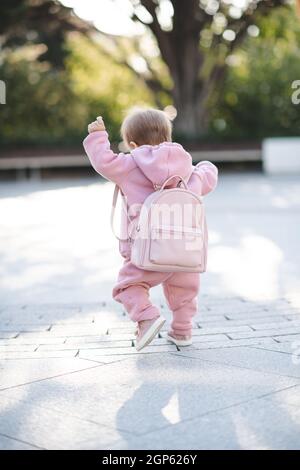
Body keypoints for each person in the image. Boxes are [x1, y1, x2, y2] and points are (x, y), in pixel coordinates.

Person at [83, 108, 218, 351]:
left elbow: (103, 161)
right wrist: (207, 166)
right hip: (185, 251)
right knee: (184, 291)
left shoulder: (129, 164)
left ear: (133, 144)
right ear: (168, 138)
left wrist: (97, 136)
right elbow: (208, 177)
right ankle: (182, 331)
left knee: (127, 286)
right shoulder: (187, 169)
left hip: (145, 251)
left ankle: (147, 317)